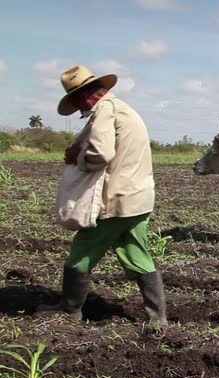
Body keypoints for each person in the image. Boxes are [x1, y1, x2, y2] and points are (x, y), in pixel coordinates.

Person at [37, 65, 167, 326]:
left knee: (80, 255)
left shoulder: (105, 111)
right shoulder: (124, 109)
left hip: (116, 200)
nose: (79, 110)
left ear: (85, 96)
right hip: (138, 199)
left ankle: (70, 310)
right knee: (137, 255)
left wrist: (78, 157)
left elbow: (101, 154)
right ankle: (157, 318)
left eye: (76, 102)